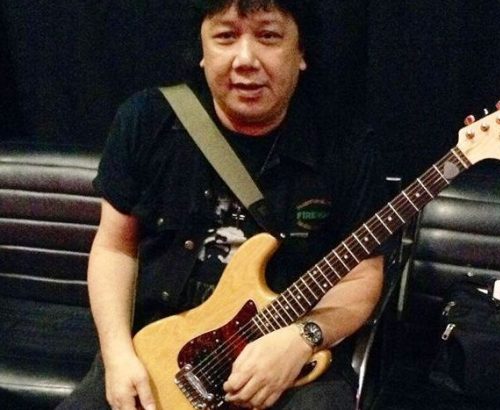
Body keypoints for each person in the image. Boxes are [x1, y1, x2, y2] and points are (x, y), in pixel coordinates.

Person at [58, 0, 392, 409]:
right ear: (202, 50)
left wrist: (304, 337)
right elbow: (115, 247)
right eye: (226, 36)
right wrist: (117, 355)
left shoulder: (347, 145)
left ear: (301, 51)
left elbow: (361, 277)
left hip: (283, 354)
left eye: (268, 36)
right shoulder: (145, 119)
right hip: (156, 349)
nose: (245, 59)